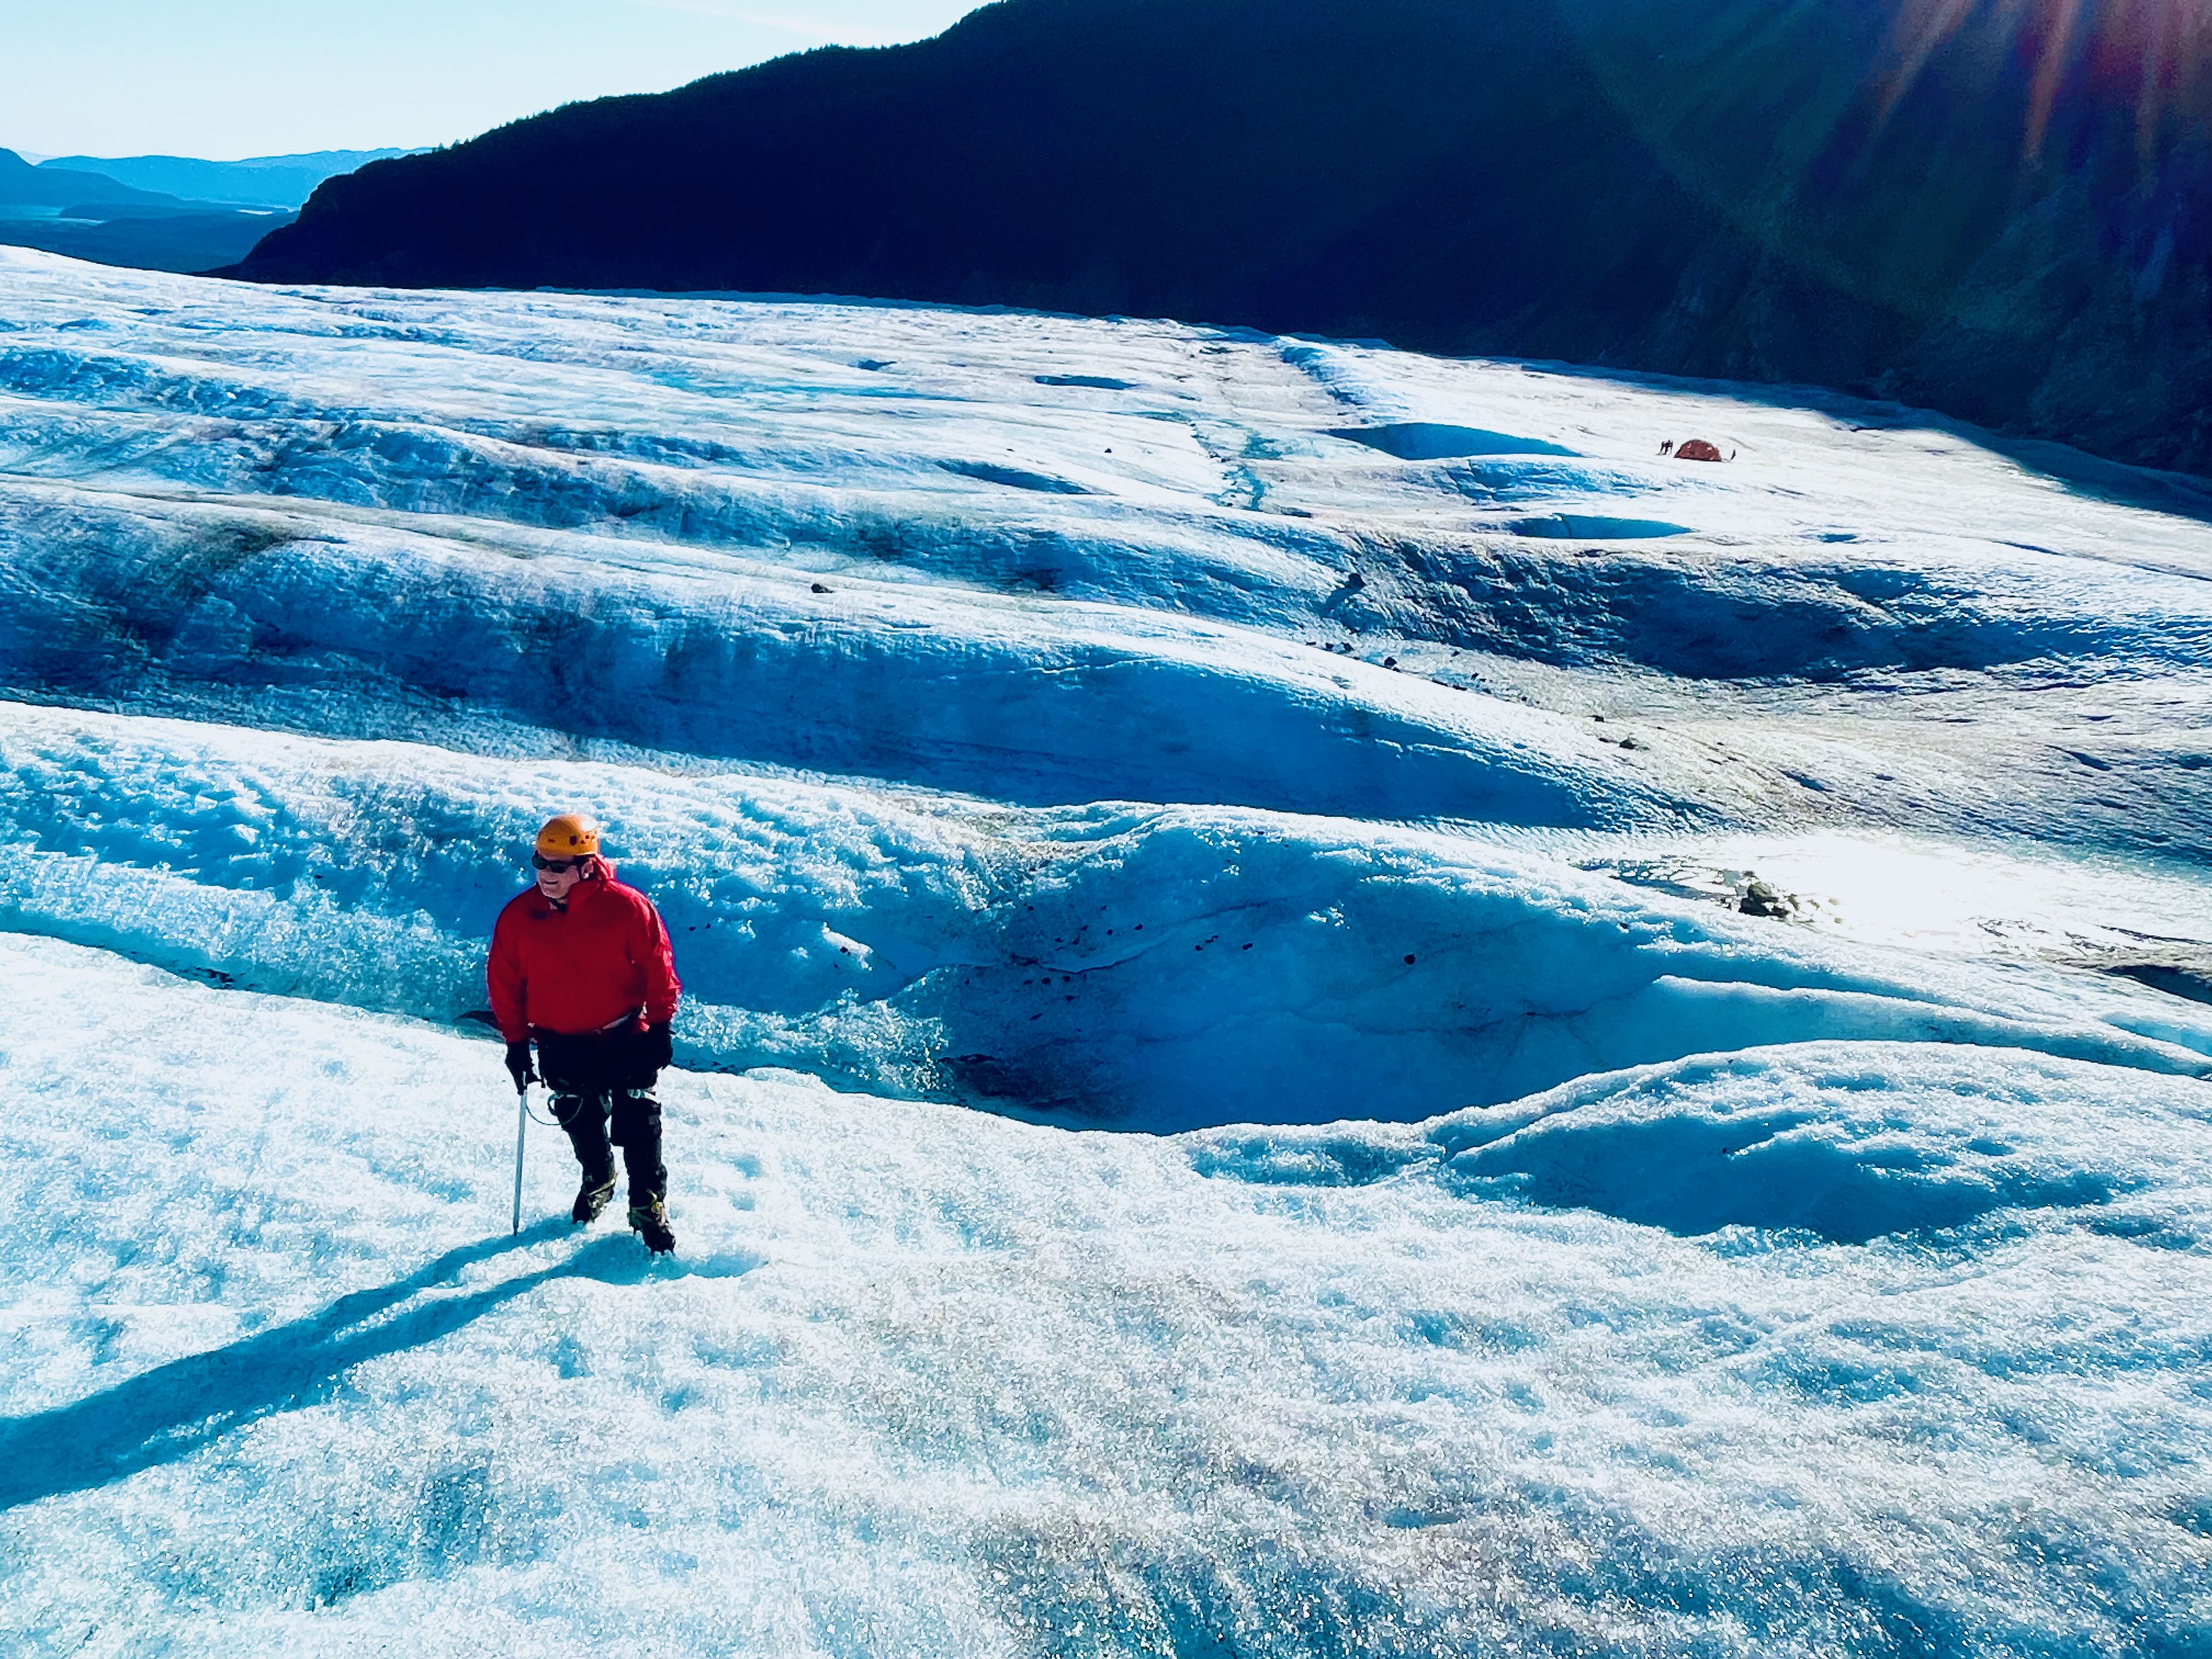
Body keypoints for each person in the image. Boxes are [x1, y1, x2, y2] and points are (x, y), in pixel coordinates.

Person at [487, 813, 681, 1254]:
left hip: (625, 1033)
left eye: (559, 866)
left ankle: (648, 1203)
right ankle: (599, 1177)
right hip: (560, 1039)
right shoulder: (520, 916)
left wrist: (662, 1025)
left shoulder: (628, 907)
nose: (546, 874)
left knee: (641, 1121)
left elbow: (659, 966)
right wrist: (516, 1045)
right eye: (540, 861)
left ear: (587, 864)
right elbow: (504, 983)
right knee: (578, 1116)